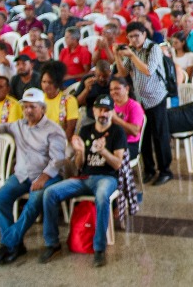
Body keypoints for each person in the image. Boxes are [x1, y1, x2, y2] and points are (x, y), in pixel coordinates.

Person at [40, 94, 126, 268]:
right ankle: (52, 243)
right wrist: (79, 152)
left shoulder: (118, 132)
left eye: (107, 110)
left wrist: (103, 152)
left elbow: (117, 165)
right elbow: (79, 165)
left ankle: (99, 248)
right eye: (100, 109)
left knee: (102, 197)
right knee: (50, 193)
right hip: (85, 178)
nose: (103, 113)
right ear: (93, 111)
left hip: (107, 178)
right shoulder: (85, 130)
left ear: (112, 112)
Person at [0, 88, 66, 266]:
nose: (28, 111)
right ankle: (16, 244)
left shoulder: (53, 130)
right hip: (22, 175)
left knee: (33, 202)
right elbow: (4, 125)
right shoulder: (19, 125)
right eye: (25, 107)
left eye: (33, 107)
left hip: (47, 176)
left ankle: (7, 244)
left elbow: (58, 160)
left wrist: (43, 178)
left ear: (43, 109)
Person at [115, 21, 174, 186]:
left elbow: (148, 70)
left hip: (156, 98)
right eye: (131, 36)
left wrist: (132, 56)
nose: (133, 39)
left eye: (137, 36)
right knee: (144, 136)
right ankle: (149, 169)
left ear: (144, 35)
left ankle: (165, 171)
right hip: (140, 100)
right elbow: (123, 73)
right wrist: (117, 56)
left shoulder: (153, 48)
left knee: (160, 135)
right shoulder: (131, 51)